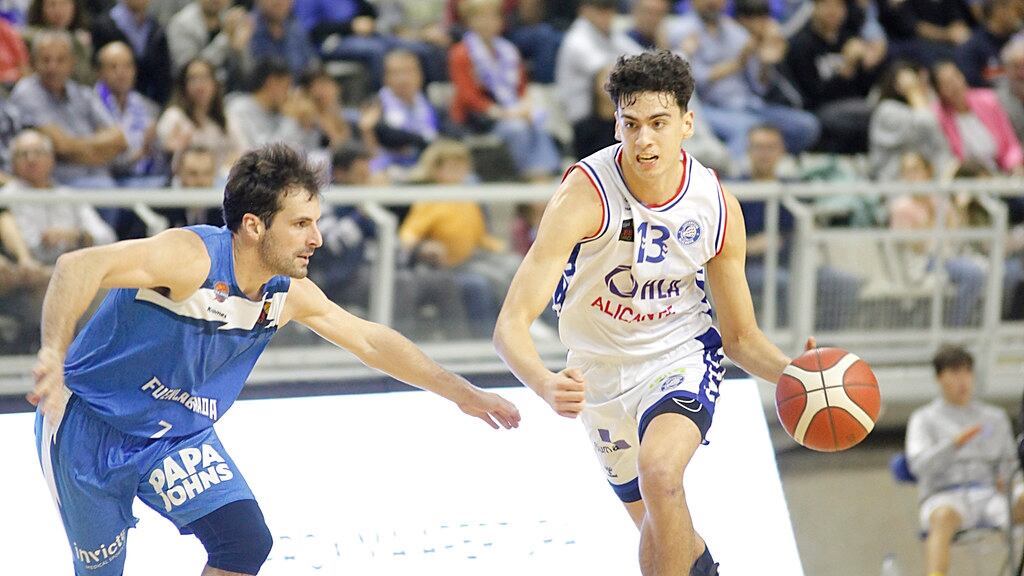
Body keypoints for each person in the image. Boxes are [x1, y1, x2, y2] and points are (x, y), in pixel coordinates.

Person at [28, 143, 521, 576]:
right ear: (253, 226)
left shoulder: (286, 293)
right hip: (88, 425)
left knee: (244, 542)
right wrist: (53, 351)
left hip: (174, 435)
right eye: (302, 224)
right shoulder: (190, 259)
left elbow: (370, 341)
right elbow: (78, 266)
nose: (317, 239)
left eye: (316, 223)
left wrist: (462, 392)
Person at [493, 50, 813, 576]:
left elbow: (740, 337)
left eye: (659, 123)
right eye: (631, 123)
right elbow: (510, 326)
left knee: (660, 474)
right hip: (597, 373)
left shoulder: (715, 205)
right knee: (660, 529)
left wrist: (795, 374)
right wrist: (544, 383)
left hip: (678, 354)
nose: (644, 140)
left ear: (687, 123)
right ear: (616, 123)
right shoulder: (583, 195)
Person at [905, 344, 1024, 576]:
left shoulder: (995, 417)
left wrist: (1008, 479)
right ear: (940, 378)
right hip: (946, 496)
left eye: (967, 372)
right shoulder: (924, 419)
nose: (963, 380)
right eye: (955, 373)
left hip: (991, 495)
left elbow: (1011, 462)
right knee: (942, 517)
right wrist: (954, 444)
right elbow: (918, 466)